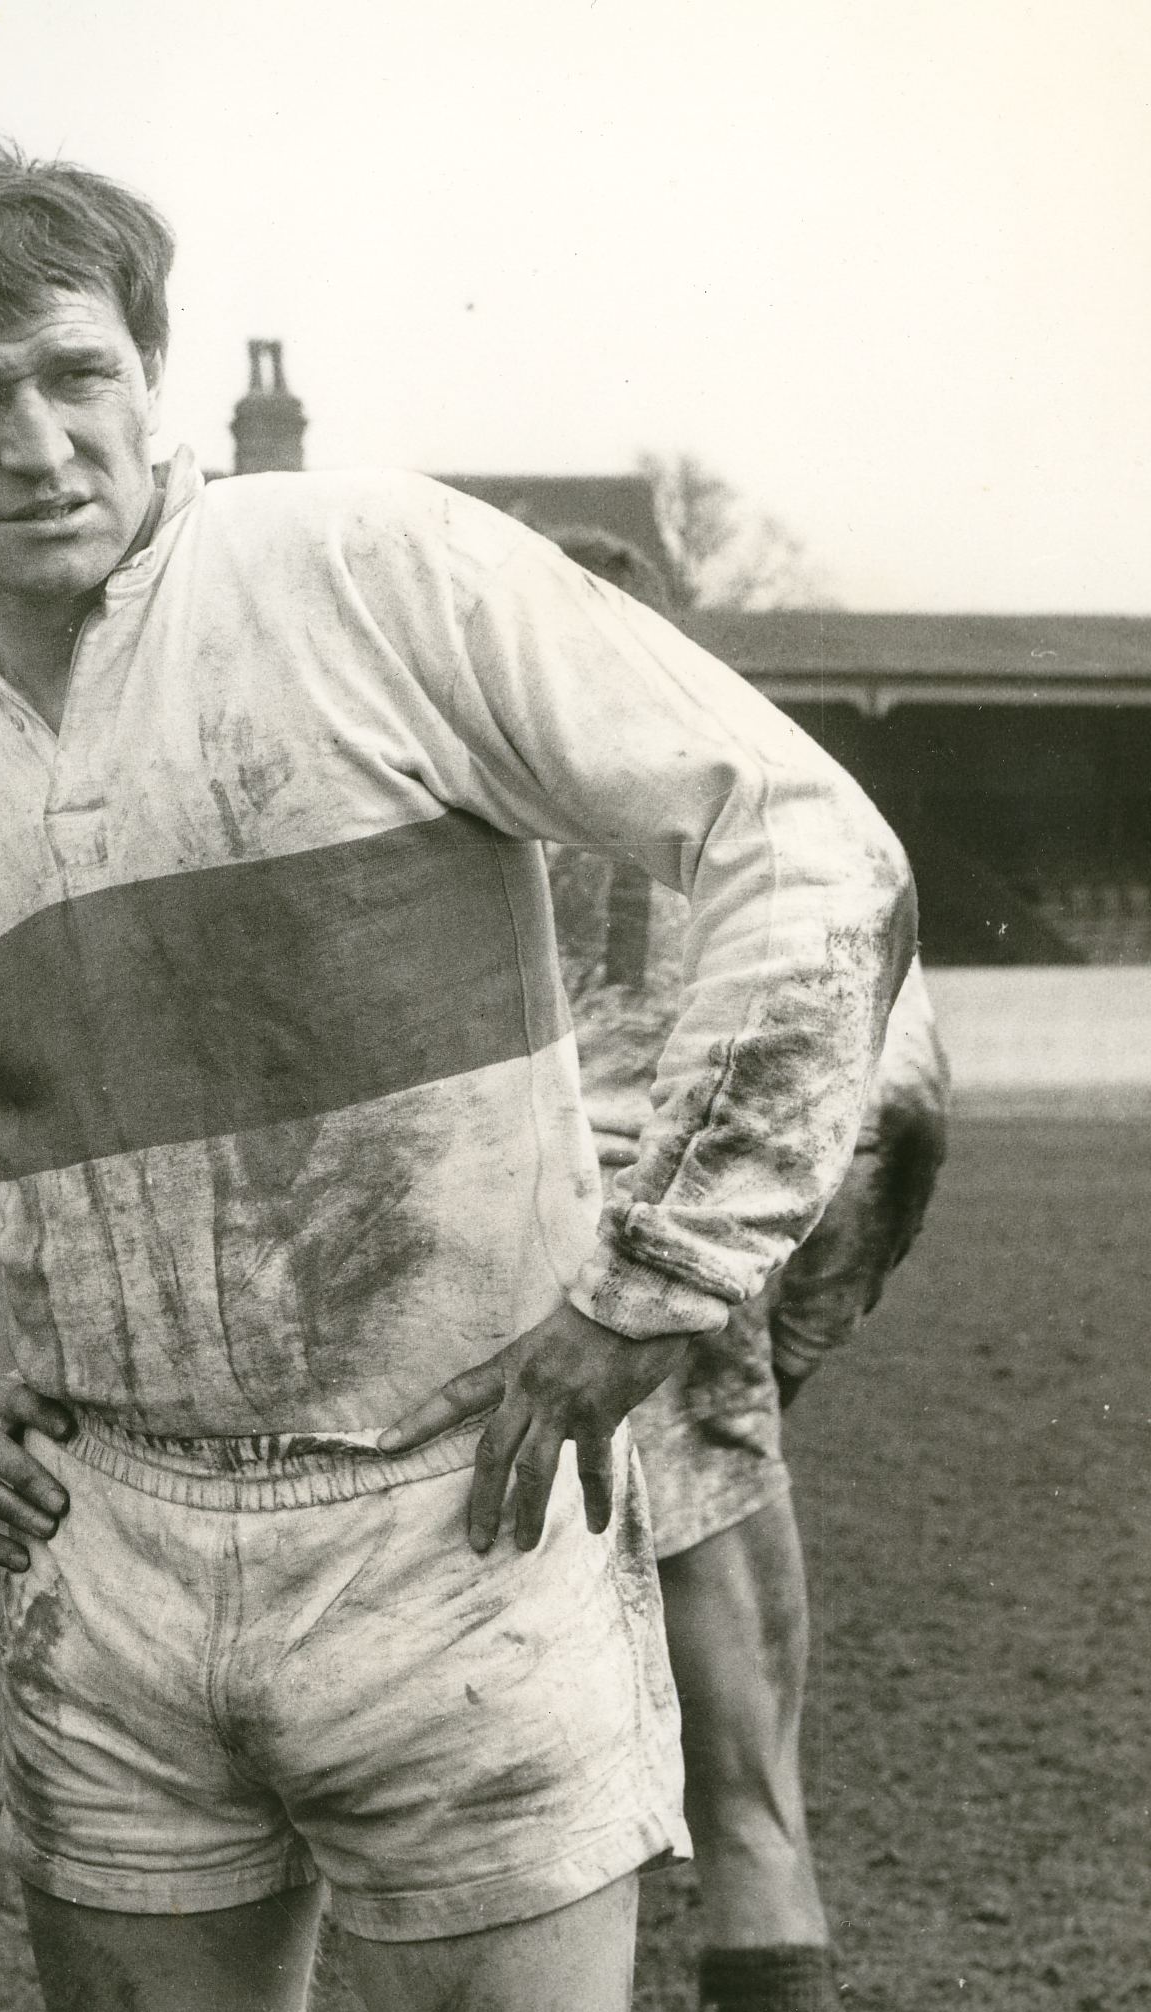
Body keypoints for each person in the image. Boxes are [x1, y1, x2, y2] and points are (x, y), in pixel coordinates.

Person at [0, 144, 915, 2011]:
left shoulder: (372, 568)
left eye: (79, 375)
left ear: (151, 375)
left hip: (466, 1516)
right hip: (110, 1549)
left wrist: (666, 1274)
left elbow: (807, 842)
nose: (41, 445)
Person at [548, 528, 951, 2012]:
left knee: (453, 1795)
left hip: (478, 1294)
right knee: (752, 1813)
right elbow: (899, 1109)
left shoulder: (431, 796)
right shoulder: (780, 801)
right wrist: (773, 1346)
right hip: (689, 1284)